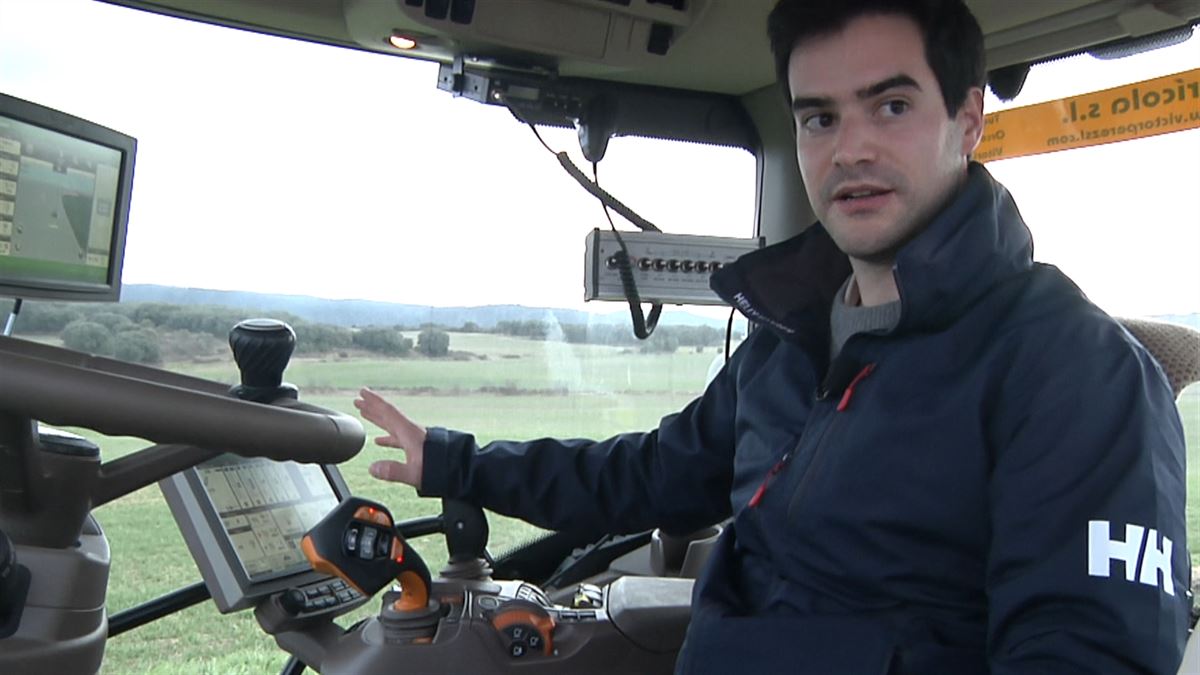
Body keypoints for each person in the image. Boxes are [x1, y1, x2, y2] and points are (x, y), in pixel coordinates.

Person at [354, 0, 1191, 672]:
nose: (849, 148)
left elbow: (1083, 649)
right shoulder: (790, 345)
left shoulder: (1077, 372)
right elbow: (650, 474)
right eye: (818, 119)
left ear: (968, 119)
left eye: (890, 105)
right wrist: (455, 462)